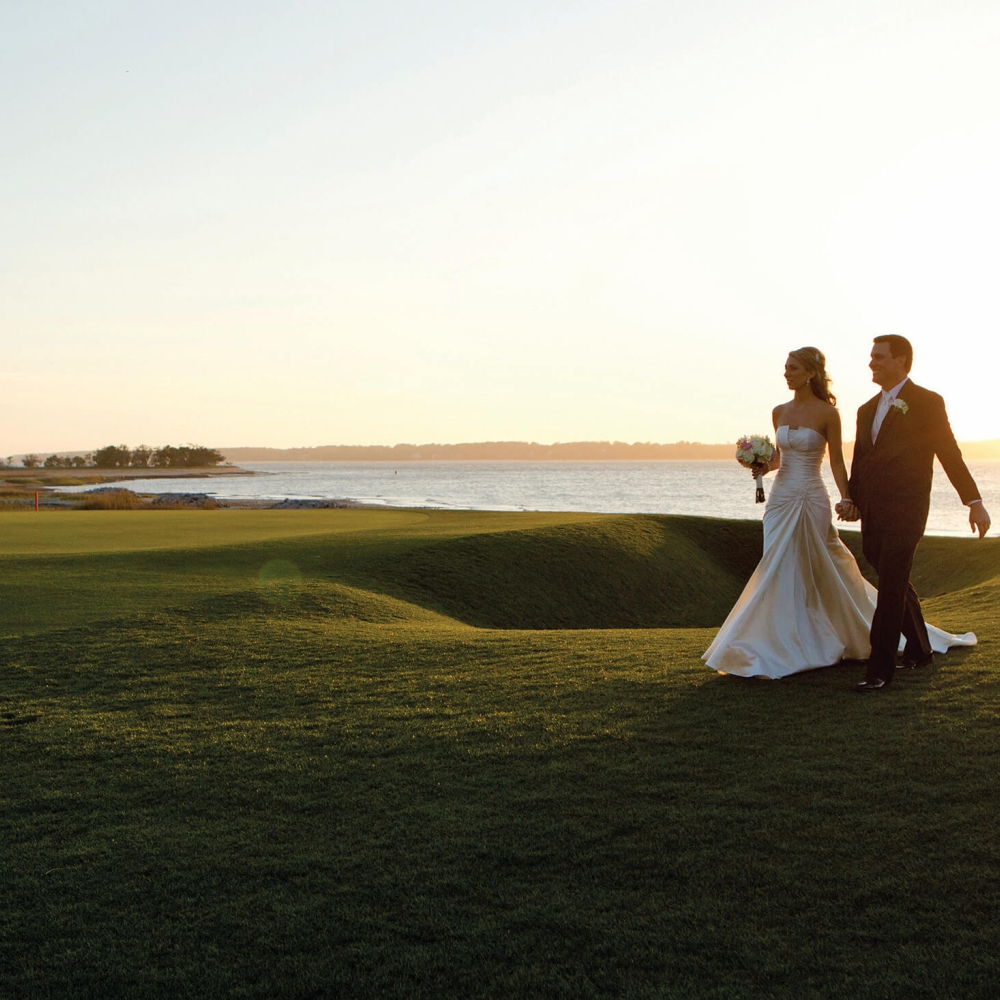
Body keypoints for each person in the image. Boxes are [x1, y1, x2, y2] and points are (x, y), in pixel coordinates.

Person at [703, 346, 977, 679]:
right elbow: (780, 459)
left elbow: (837, 462)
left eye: (792, 367)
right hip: (780, 499)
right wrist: (760, 465)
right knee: (775, 565)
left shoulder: (828, 414)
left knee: (823, 565)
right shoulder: (778, 411)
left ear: (810, 373)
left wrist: (848, 498)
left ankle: (849, 640)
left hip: (811, 497)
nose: (786, 373)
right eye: (785, 367)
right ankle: (772, 642)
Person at [838, 336, 990, 692]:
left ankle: (880, 669)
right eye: (871, 357)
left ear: (901, 360)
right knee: (888, 571)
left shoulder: (926, 402)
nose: (871, 363)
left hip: (907, 509)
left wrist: (974, 501)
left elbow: (949, 453)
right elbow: (861, 460)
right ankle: (921, 649)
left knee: (890, 585)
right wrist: (852, 499)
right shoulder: (865, 409)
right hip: (873, 510)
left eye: (879, 357)